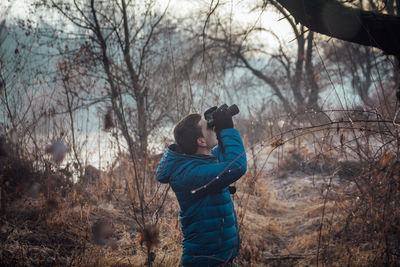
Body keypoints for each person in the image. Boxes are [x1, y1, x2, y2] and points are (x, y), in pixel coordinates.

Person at [156, 105, 247, 266]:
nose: (213, 128)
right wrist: (227, 129)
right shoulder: (190, 174)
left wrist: (220, 130)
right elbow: (236, 166)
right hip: (206, 261)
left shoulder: (202, 161)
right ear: (201, 141)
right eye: (209, 127)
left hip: (218, 257)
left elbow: (224, 156)